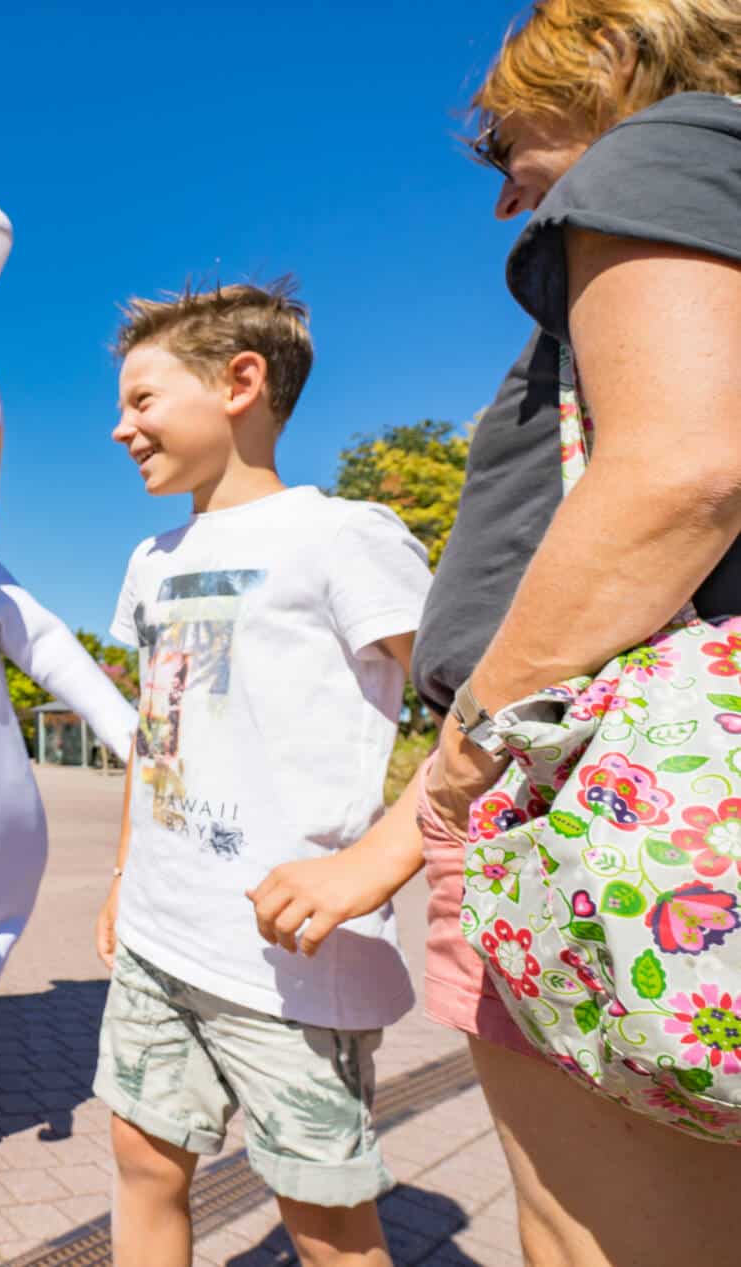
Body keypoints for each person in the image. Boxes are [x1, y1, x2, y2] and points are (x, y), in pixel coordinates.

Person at [251, 4, 741, 1263]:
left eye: (508, 144)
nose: (503, 194)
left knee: (583, 1233)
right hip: (629, 798)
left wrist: (455, 773)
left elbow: (678, 471)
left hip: (596, 813)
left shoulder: (665, 148)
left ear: (612, 64)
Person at [95, 282, 431, 1267]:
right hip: (159, 937)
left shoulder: (343, 534)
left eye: (142, 400)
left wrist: (377, 861)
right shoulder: (149, 559)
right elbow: (155, 731)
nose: (120, 428)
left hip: (292, 959)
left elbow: (481, 705)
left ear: (240, 382)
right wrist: (123, 874)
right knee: (141, 1160)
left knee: (322, 1223)